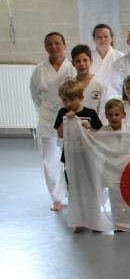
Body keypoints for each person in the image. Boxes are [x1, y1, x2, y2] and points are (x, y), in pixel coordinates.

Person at [30, 32, 76, 211]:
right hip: (48, 118)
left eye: (57, 43)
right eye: (49, 44)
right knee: (50, 161)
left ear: (65, 45)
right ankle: (57, 198)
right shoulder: (39, 70)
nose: (54, 47)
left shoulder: (71, 67)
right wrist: (45, 111)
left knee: (70, 159)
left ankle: (73, 195)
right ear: (45, 47)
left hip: (68, 116)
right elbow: (35, 95)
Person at [54, 79, 103, 207]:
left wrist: (90, 127)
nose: (68, 103)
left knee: (89, 184)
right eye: (65, 100)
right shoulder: (62, 112)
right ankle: (76, 211)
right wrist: (66, 119)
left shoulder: (90, 113)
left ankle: (91, 208)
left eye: (71, 99)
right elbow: (60, 134)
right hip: (70, 155)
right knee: (72, 185)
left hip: (88, 156)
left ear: (81, 98)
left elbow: (99, 134)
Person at [70, 44, 108, 123]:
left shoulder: (100, 85)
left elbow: (103, 113)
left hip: (94, 127)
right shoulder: (69, 85)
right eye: (77, 61)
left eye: (85, 60)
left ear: (91, 61)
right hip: (73, 126)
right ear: (73, 63)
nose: (82, 64)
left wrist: (97, 127)